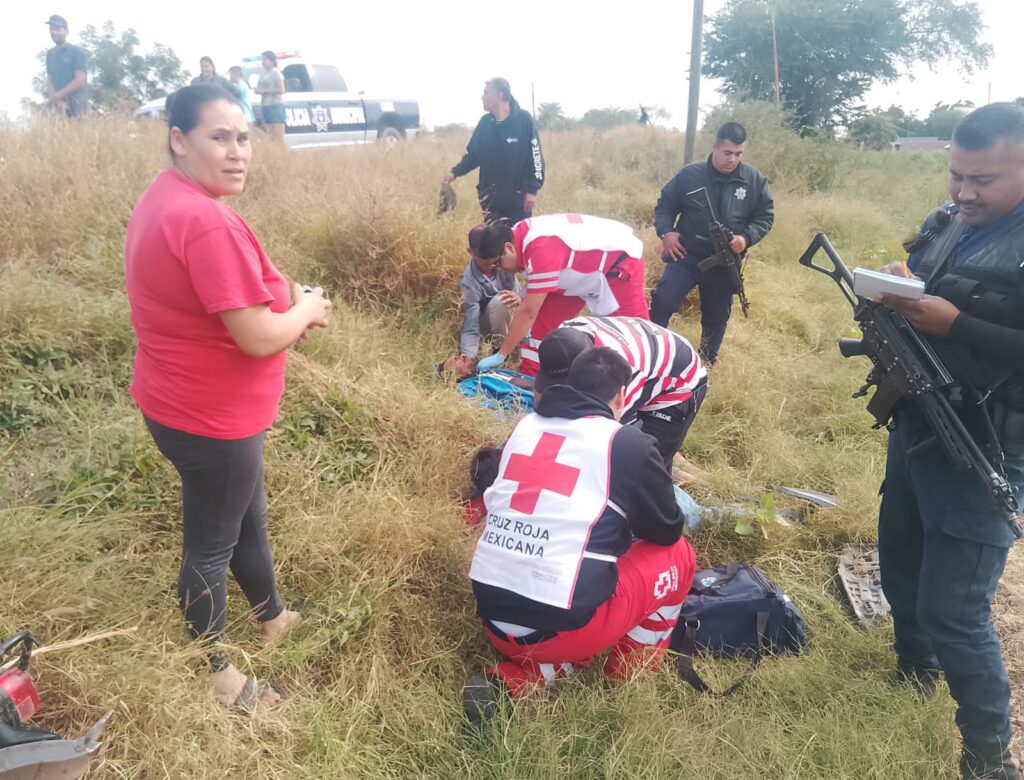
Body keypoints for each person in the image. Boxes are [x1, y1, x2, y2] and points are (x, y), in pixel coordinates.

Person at [124, 83, 331, 714]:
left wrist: (280, 293)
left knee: (246, 516)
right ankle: (216, 673)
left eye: (243, 138)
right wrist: (306, 309)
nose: (237, 151)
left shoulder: (170, 198)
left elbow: (221, 295)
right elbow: (258, 337)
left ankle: (271, 615)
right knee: (210, 544)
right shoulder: (204, 220)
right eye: (219, 137)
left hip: (185, 401)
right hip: (211, 417)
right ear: (178, 138)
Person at [872, 103, 1024, 780]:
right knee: (900, 559)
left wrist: (954, 322)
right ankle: (914, 672)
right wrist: (901, 282)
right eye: (956, 174)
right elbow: (923, 263)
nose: (963, 192)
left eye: (982, 180)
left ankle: (990, 755)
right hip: (918, 421)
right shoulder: (951, 217)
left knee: (955, 609)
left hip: (985, 445)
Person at [463, 347, 696, 725]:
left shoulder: (525, 426)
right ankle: (628, 679)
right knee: (678, 556)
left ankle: (512, 683)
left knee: (583, 578)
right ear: (622, 396)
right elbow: (666, 530)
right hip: (566, 627)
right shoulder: (627, 443)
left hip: (492, 616)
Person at [649, 122, 774, 364]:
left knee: (716, 316)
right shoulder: (689, 175)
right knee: (664, 299)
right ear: (715, 146)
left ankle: (705, 363)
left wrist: (745, 238)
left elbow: (764, 217)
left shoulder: (754, 181)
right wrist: (666, 232)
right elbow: (665, 205)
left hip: (724, 260)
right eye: (727, 153)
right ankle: (652, 349)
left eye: (738, 154)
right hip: (686, 253)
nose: (732, 160)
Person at [473, 214, 649, 377]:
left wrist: (501, 354)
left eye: (497, 263)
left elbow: (528, 312)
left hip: (618, 263)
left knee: (631, 334)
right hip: (573, 271)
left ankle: (644, 383)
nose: (500, 269)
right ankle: (529, 380)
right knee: (541, 331)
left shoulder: (540, 247)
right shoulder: (518, 235)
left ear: (508, 248)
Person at [535, 317, 707, 470]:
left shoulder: (621, 368)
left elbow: (611, 432)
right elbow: (541, 402)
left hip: (679, 381)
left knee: (644, 465)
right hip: (643, 350)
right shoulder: (562, 338)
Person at [443, 78, 544, 225]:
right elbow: (473, 156)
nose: (482, 97)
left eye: (486, 93)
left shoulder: (524, 120)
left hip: (519, 200)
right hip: (491, 200)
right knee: (494, 244)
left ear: (500, 94)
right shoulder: (485, 123)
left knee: (517, 242)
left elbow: (536, 158)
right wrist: (454, 172)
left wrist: (532, 190)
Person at [441, 224, 524, 379]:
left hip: (512, 319)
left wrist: (520, 299)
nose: (490, 265)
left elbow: (525, 300)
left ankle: (511, 349)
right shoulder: (469, 281)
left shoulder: (504, 261)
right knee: (502, 301)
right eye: (483, 259)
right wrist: (468, 358)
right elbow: (471, 325)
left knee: (511, 300)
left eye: (493, 260)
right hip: (487, 326)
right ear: (471, 252)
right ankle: (500, 353)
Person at [44, 15, 88, 118]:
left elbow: (80, 80)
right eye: (51, 29)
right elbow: (50, 79)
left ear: (66, 31)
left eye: (57, 29)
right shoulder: (50, 54)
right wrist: (54, 99)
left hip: (76, 104)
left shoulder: (76, 52)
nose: (53, 32)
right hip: (57, 105)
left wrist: (58, 96)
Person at [254, 50, 286, 143]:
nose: (263, 62)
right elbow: (257, 88)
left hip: (275, 106)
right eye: (262, 59)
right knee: (269, 136)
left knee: (278, 137)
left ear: (272, 61)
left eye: (265, 59)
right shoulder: (263, 74)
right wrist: (258, 91)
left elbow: (282, 90)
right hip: (265, 106)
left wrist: (265, 91)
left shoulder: (276, 73)